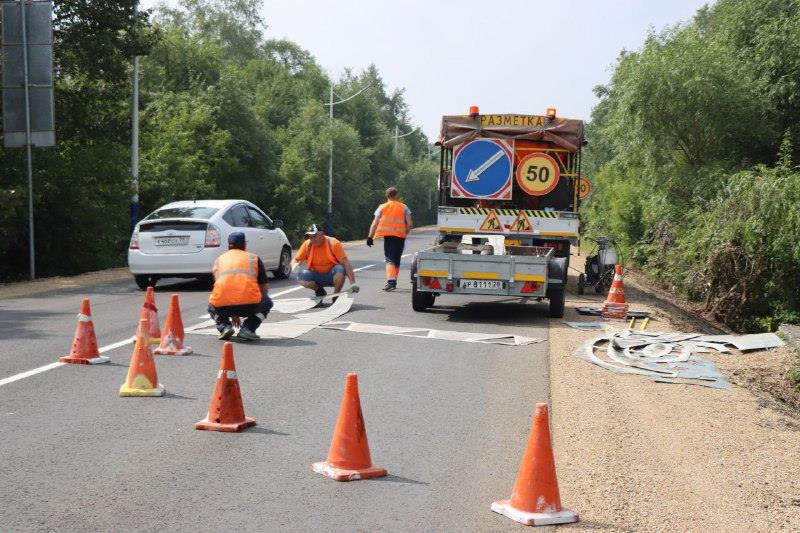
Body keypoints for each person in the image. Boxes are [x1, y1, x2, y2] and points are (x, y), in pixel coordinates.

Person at [208, 231, 273, 341]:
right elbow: (264, 287)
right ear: (245, 244)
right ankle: (248, 328)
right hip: (249, 305)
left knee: (212, 304)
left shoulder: (219, 260)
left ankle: (224, 327)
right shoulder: (254, 258)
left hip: (223, 306)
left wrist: (233, 313)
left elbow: (222, 288)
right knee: (267, 302)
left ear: (228, 245)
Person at [291, 223, 358, 301]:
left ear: (322, 234)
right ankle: (319, 292)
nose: (312, 239)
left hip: (332, 276)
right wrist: (294, 266)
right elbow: (296, 259)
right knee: (302, 276)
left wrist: (353, 283)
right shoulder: (307, 244)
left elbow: (345, 262)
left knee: (340, 269)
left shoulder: (333, 243)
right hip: (316, 277)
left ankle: (336, 295)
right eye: (310, 237)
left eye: (314, 236)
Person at [366, 186, 412, 291]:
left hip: (389, 237)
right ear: (396, 196)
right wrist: (405, 233)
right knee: (396, 259)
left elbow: (374, 224)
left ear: (387, 196)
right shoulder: (404, 207)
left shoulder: (382, 207)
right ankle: (394, 281)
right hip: (400, 237)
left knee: (390, 259)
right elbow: (409, 224)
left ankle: (391, 282)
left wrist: (370, 237)